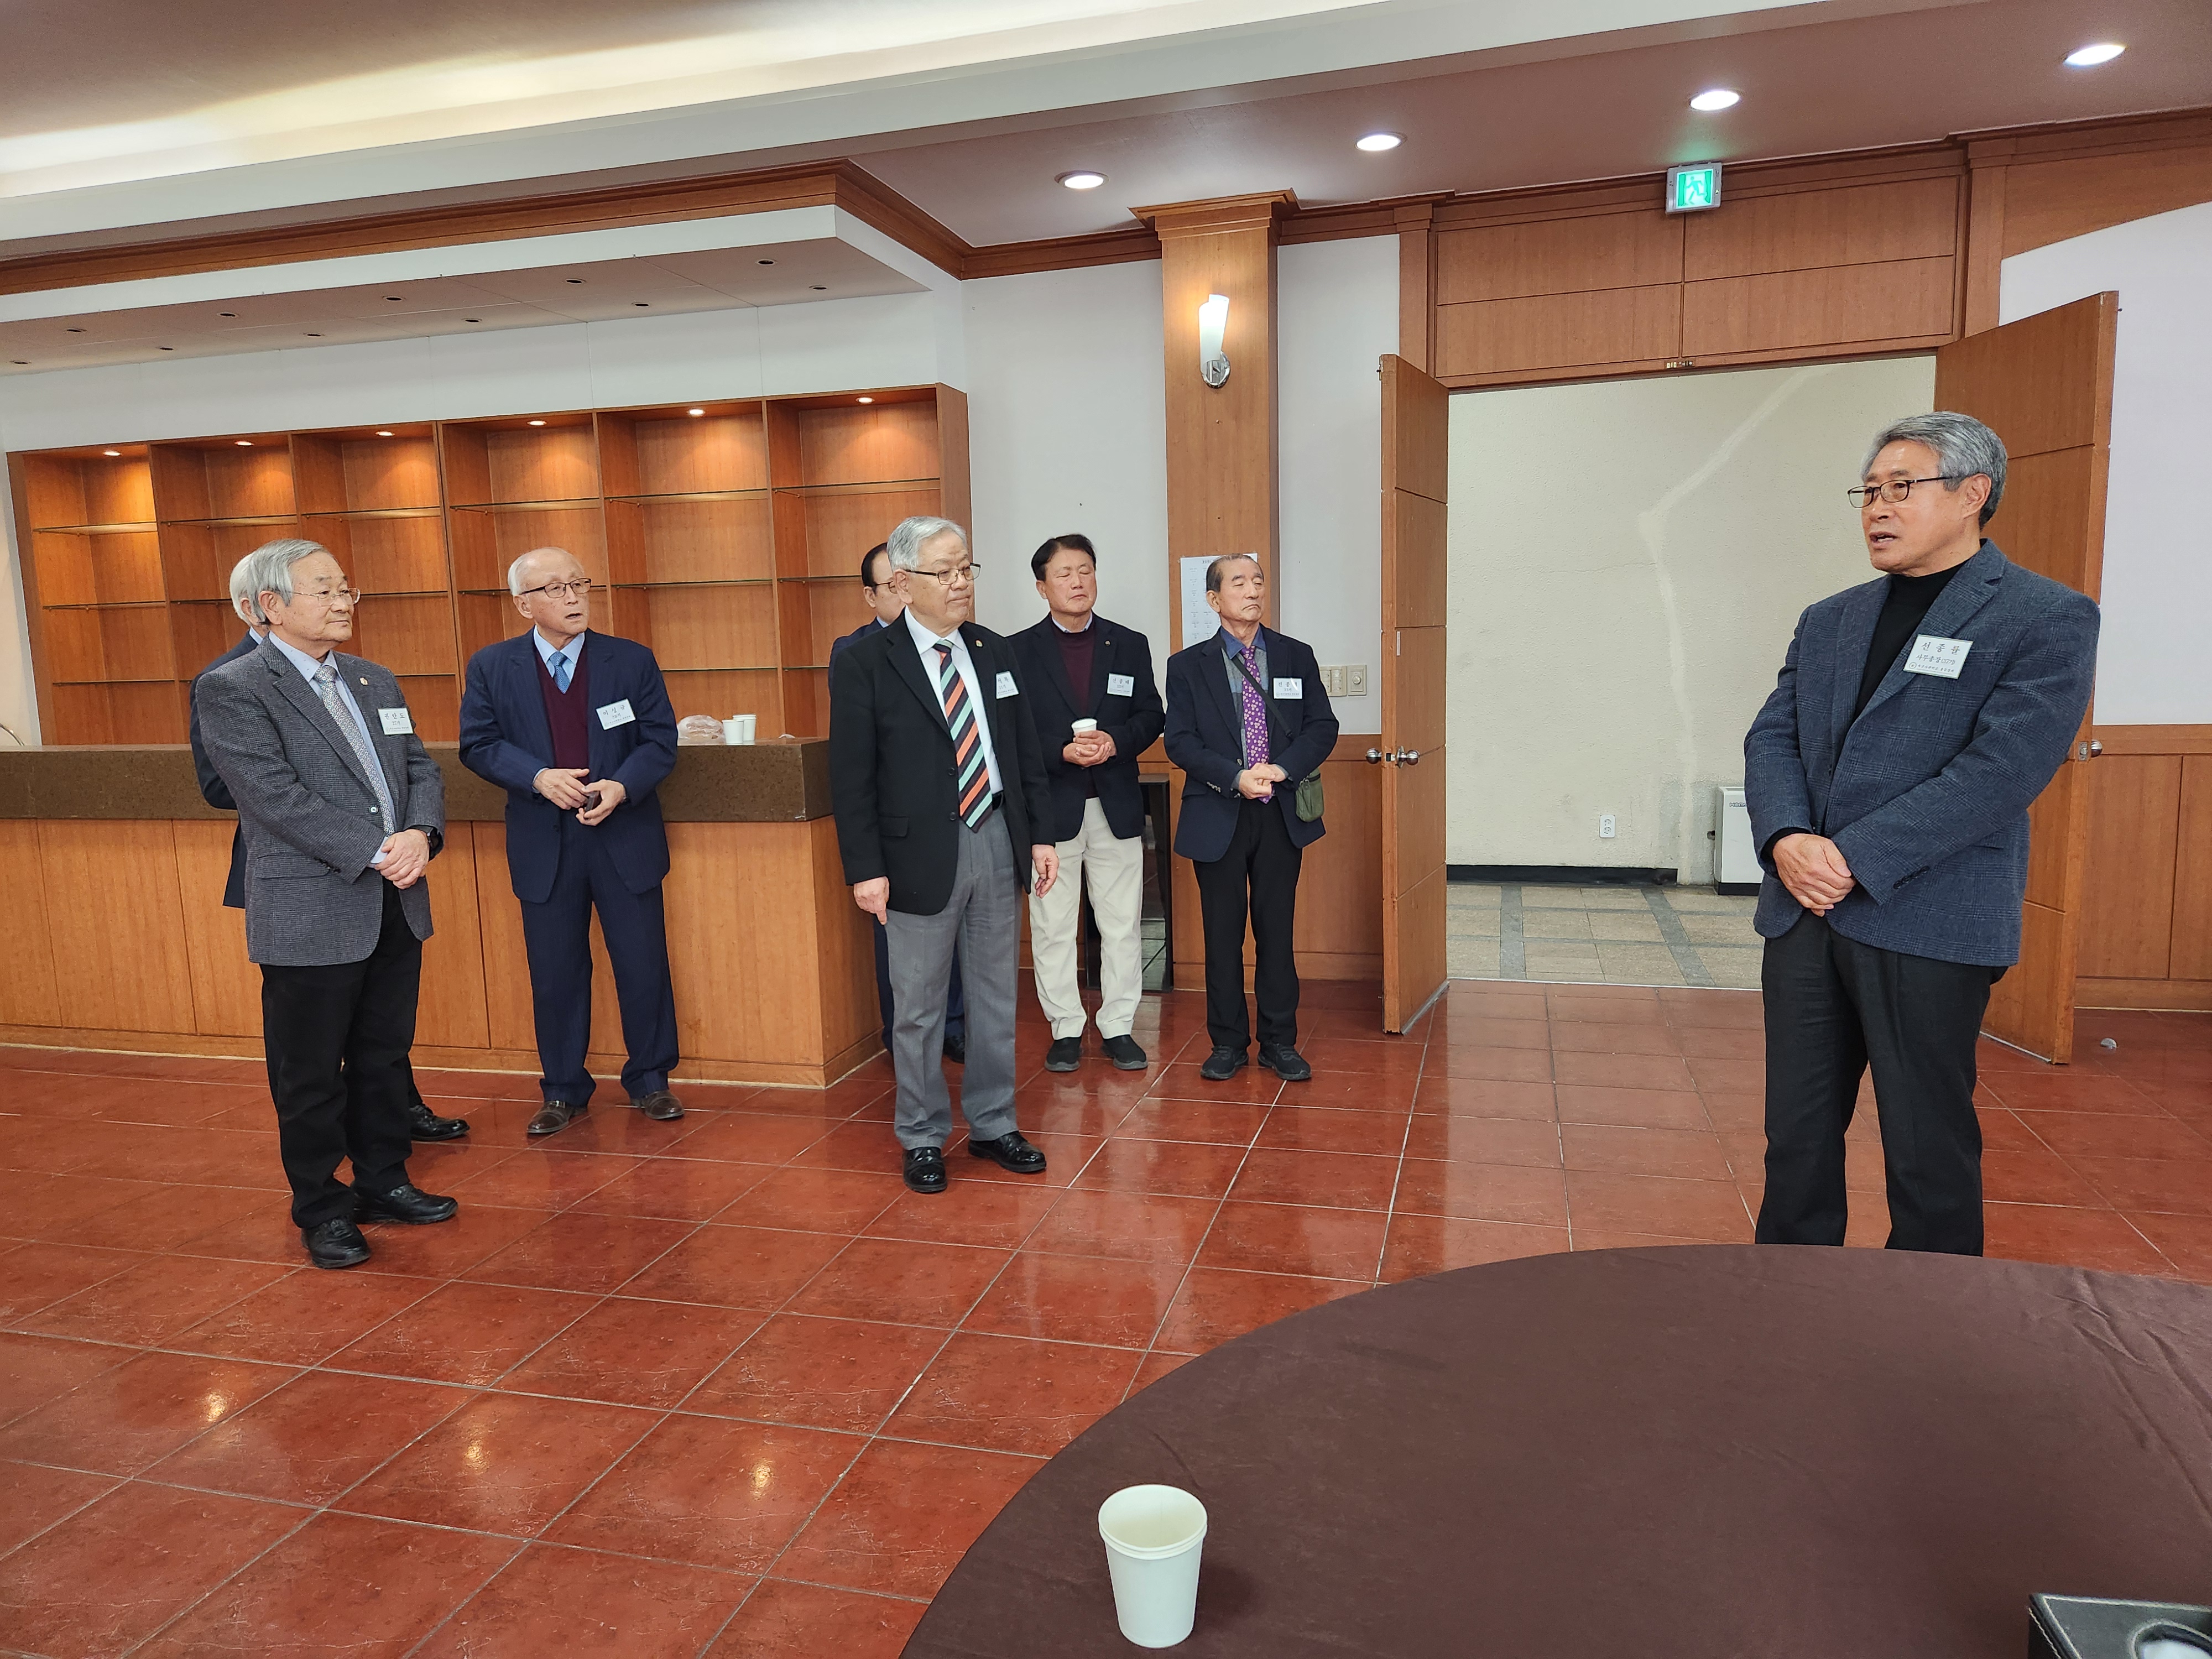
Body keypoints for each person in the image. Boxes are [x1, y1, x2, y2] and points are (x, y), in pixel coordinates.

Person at [1745, 411, 2099, 1255]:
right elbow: (1773, 736)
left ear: (1974, 494)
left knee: (1925, 1148)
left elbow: (2002, 772)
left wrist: (1853, 857)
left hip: (1931, 918)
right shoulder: (1830, 619)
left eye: (1902, 488)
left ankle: (1932, 1316)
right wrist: (1787, 838)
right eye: (1869, 491)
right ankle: (1784, 1299)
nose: (1878, 507)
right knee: (1795, 1139)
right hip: (1806, 913)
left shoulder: (2045, 616)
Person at [195, 539, 456, 1270]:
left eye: (346, 588)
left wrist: (421, 835)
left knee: (383, 1056)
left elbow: (420, 768)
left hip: (396, 900)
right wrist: (377, 848)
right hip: (311, 909)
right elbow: (272, 797)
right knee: (309, 1073)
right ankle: (321, 1207)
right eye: (324, 590)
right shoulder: (234, 687)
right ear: (270, 606)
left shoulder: (375, 680)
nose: (343, 602)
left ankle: (384, 1182)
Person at [829, 515, 1058, 1195]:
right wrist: (865, 869)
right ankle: (923, 1133)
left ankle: (993, 1123)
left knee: (994, 997)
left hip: (995, 836)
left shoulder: (992, 650)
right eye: (945, 572)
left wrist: (1040, 835)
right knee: (919, 1008)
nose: (961, 583)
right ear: (902, 583)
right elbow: (851, 776)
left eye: (966, 569)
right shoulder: (866, 662)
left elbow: (1022, 752)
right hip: (913, 856)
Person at [457, 545, 684, 1138]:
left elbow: (660, 740)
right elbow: (478, 744)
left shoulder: (630, 660)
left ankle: (651, 1079)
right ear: (523, 604)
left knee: (642, 963)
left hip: (623, 834)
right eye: (554, 589)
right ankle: (561, 1088)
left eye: (578, 584)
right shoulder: (492, 666)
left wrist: (622, 785)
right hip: (544, 842)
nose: (572, 597)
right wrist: (536, 776)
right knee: (555, 972)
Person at [1163, 554, 1338, 1084]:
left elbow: (1322, 726)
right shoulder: (1187, 666)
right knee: (1222, 935)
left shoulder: (1295, 655)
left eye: (1258, 581)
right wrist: (1234, 776)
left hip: (1279, 812)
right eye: (1238, 582)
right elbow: (1179, 741)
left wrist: (1282, 769)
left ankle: (1279, 1041)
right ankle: (1228, 1043)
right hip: (1218, 811)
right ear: (1214, 600)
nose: (1253, 590)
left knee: (1276, 931)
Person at [1009, 534, 1164, 1072]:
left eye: (1086, 571)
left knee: (1121, 923)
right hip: (1050, 810)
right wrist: (1061, 751)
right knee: (1053, 925)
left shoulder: (1129, 643)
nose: (1078, 582)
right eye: (1064, 574)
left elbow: (1152, 714)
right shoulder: (1016, 652)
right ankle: (1066, 1028)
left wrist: (1115, 742)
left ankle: (1118, 1025)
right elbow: (1011, 732)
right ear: (1041, 587)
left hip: (1114, 804)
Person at [828, 541, 966, 1065]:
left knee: (957, 937)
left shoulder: (959, 643)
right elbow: (856, 758)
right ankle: (903, 1038)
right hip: (898, 827)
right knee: (901, 946)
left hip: (956, 817)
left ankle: (955, 1026)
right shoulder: (855, 654)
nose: (905, 593)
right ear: (872, 596)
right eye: (893, 585)